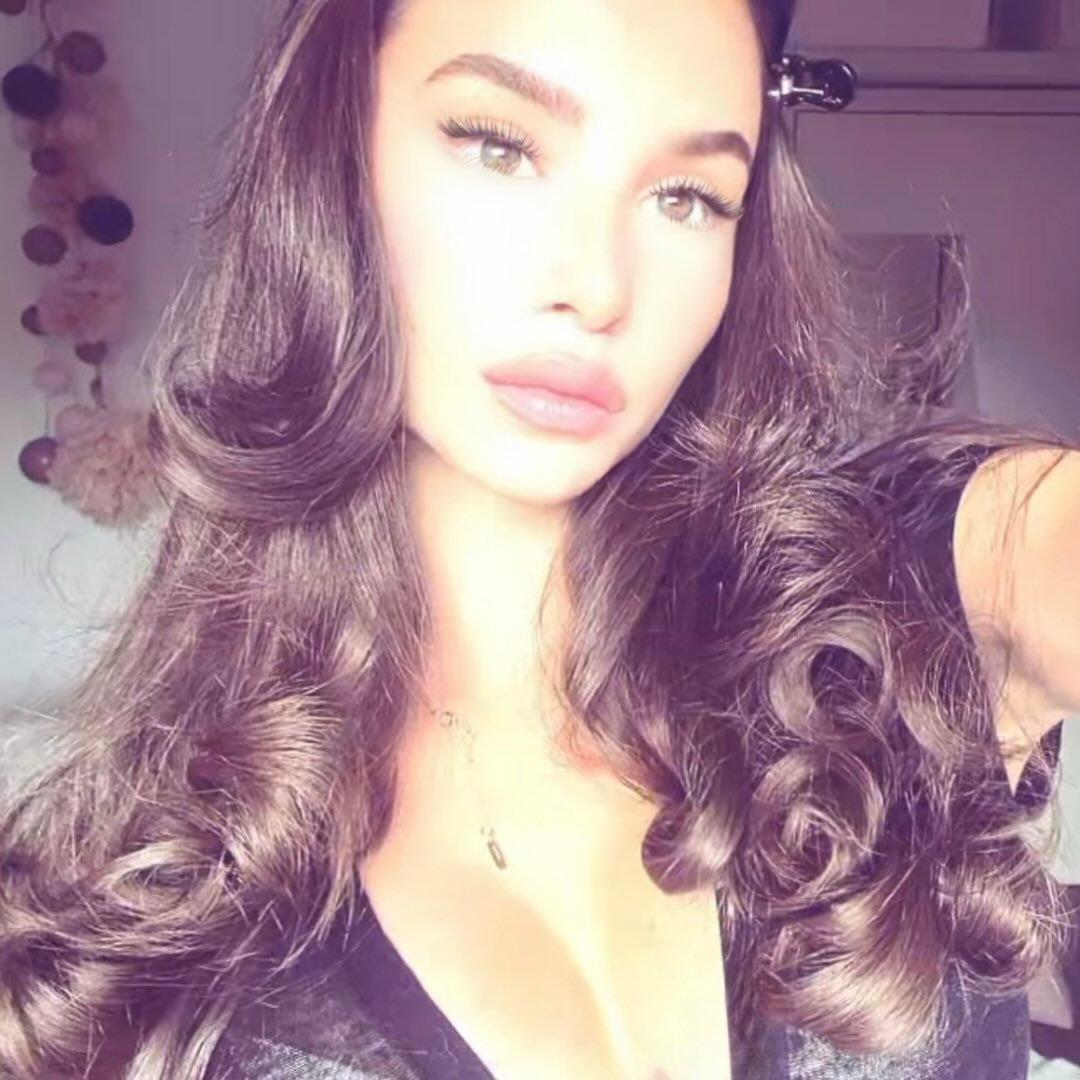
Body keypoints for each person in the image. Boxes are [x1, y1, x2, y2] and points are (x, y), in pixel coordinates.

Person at [1, 0, 1077, 1076]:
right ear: (332, 157)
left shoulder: (893, 624)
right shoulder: (129, 926)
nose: (598, 288)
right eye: (499, 145)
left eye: (687, 197)